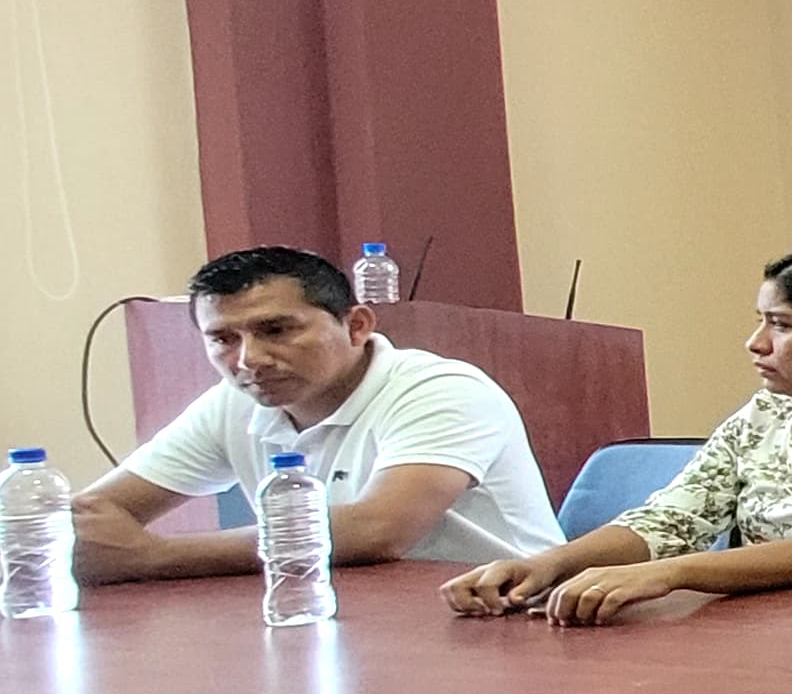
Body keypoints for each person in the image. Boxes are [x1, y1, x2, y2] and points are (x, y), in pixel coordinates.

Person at [442, 246, 792, 626]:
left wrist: (668, 575)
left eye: (781, 325)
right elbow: (673, 518)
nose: (755, 343)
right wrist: (544, 565)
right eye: (760, 322)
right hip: (760, 634)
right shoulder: (765, 415)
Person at [71, 246, 562, 584]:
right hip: (348, 617)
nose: (249, 360)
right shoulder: (234, 402)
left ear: (356, 326)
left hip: (502, 619)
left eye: (276, 330)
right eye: (223, 339)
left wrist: (154, 556)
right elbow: (94, 515)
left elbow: (379, 530)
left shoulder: (441, 389)